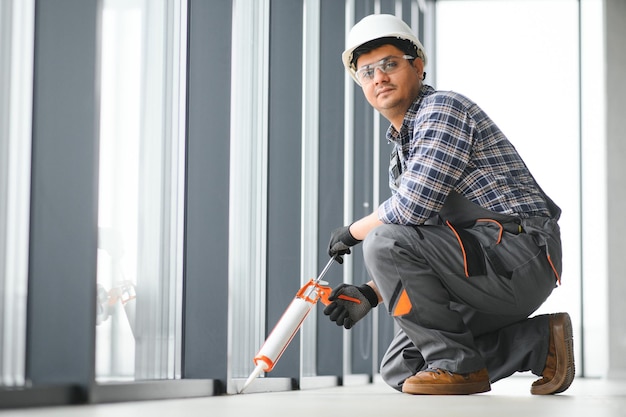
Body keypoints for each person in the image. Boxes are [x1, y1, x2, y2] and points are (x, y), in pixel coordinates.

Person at [323, 14, 574, 396]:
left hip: (519, 255)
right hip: (480, 267)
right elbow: (425, 243)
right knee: (403, 368)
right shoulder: (403, 155)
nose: (379, 78)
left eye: (390, 64)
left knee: (382, 239)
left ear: (418, 66)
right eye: (367, 72)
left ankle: (458, 368)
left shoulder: (442, 109)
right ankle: (538, 343)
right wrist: (372, 293)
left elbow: (410, 211)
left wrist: (353, 232)